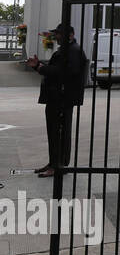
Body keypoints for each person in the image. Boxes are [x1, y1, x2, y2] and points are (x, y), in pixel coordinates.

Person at [26, 23, 88, 178]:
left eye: (59, 34)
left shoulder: (73, 51)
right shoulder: (68, 50)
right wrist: (39, 66)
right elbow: (60, 69)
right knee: (55, 132)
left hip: (61, 98)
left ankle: (57, 166)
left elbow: (65, 72)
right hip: (58, 97)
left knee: (57, 132)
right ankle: (54, 163)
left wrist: (41, 68)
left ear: (71, 35)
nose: (57, 36)